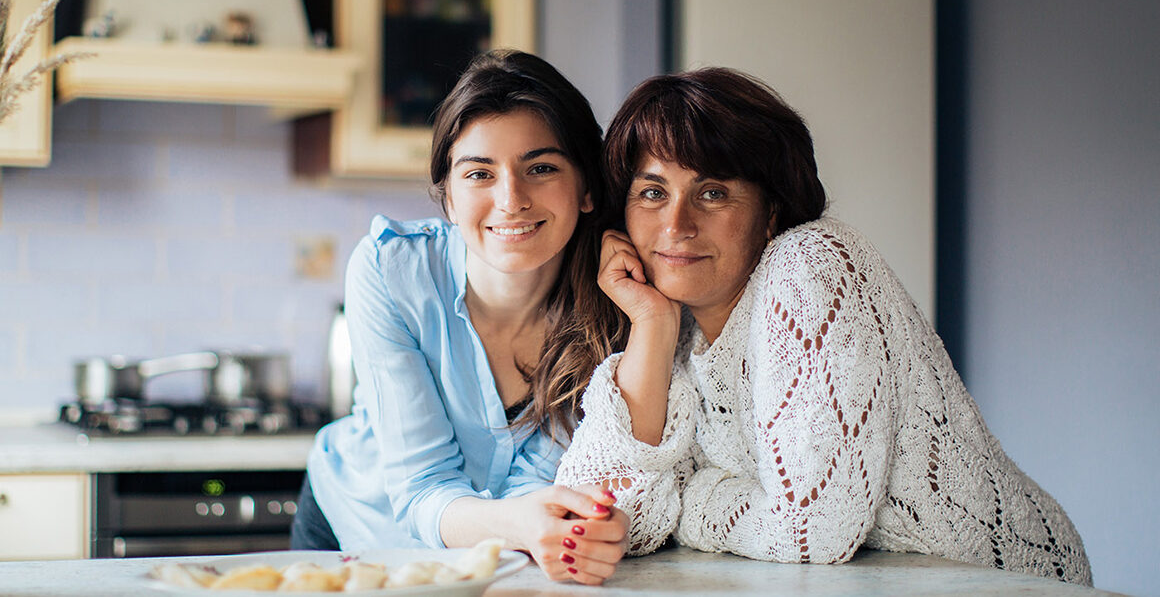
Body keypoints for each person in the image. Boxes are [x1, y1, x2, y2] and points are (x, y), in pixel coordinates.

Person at [555, 67, 1092, 585]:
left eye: (713, 192)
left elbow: (813, 532)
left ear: (770, 212)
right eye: (652, 193)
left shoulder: (810, 265)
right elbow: (596, 521)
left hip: (1010, 578)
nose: (677, 224)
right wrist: (650, 326)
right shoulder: (676, 329)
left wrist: (692, 499)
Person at [294, 50, 630, 585]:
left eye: (540, 168)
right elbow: (422, 485)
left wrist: (538, 523)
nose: (511, 199)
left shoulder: (617, 305)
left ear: (586, 187)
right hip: (358, 528)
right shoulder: (391, 269)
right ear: (447, 197)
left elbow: (547, 492)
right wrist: (523, 523)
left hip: (504, 555)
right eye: (479, 173)